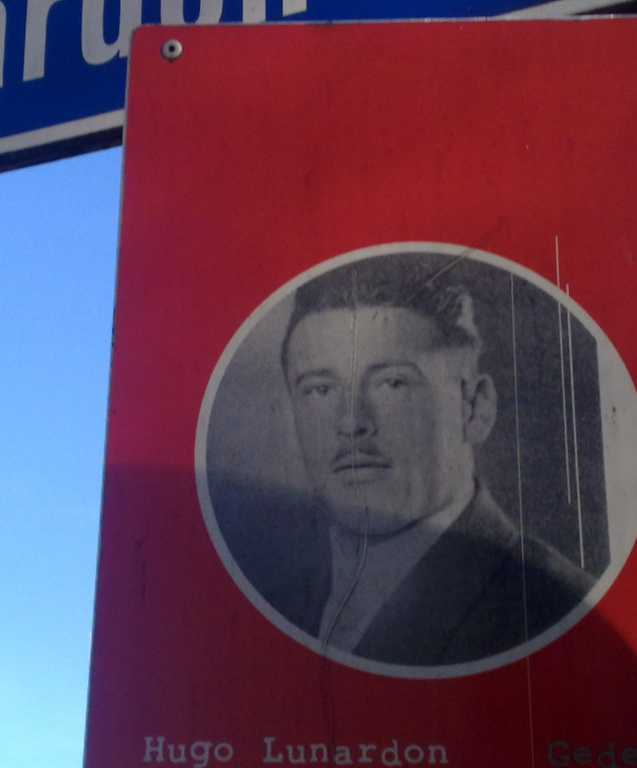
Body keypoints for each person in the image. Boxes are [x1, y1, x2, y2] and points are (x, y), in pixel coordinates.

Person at [246, 254, 595, 667]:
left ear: (474, 408)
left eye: (392, 383)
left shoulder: (558, 607)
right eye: (320, 389)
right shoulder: (271, 606)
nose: (351, 423)